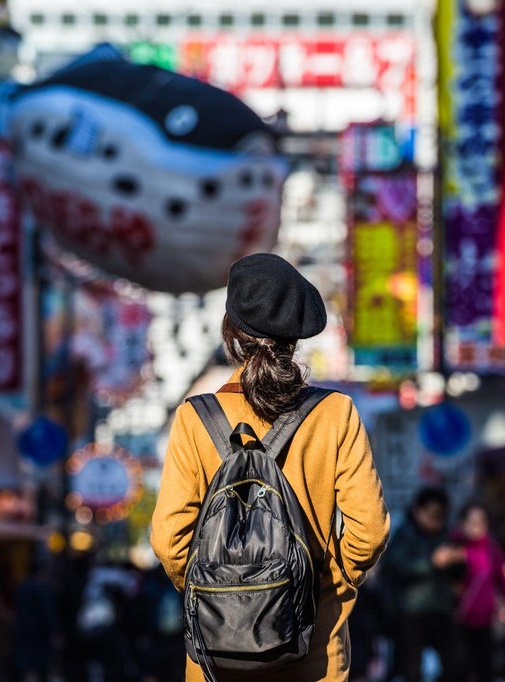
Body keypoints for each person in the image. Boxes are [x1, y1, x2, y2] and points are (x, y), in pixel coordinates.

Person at [151, 253, 390, 682]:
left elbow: (169, 541)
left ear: (231, 333)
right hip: (312, 654)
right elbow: (368, 531)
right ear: (296, 338)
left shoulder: (195, 417)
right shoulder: (335, 413)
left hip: (216, 658)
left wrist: (221, 593)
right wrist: (323, 587)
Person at [382, 488, 466, 682]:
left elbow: (457, 575)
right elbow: (396, 566)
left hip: (442, 610)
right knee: (411, 669)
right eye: (432, 514)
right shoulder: (404, 534)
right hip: (410, 612)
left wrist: (458, 561)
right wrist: (432, 562)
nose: (437, 520)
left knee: (456, 663)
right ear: (418, 511)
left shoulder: (447, 535)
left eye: (442, 515)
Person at [452, 503, 505, 682]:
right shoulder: (453, 549)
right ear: (462, 524)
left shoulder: (492, 550)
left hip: (485, 621)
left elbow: (504, 581)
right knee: (458, 669)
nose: (475, 527)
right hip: (457, 620)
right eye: (471, 522)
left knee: (485, 668)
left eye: (480, 522)